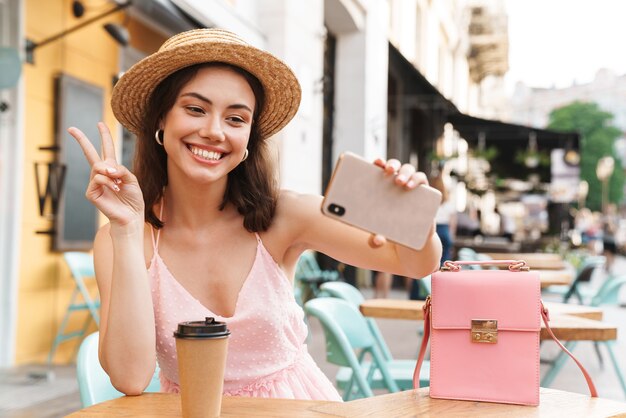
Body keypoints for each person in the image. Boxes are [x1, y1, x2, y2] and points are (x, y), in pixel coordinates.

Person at [68, 29, 441, 401]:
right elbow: (130, 377)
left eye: (236, 119)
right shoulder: (123, 238)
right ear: (160, 123)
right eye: (195, 109)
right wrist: (127, 229)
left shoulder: (285, 215)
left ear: (249, 138)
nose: (214, 131)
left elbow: (414, 263)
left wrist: (411, 210)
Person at [409, 173, 454, 300]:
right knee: (444, 268)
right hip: (445, 232)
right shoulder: (448, 203)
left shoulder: (426, 199)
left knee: (422, 265)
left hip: (430, 229)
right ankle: (441, 297)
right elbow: (452, 225)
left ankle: (418, 296)